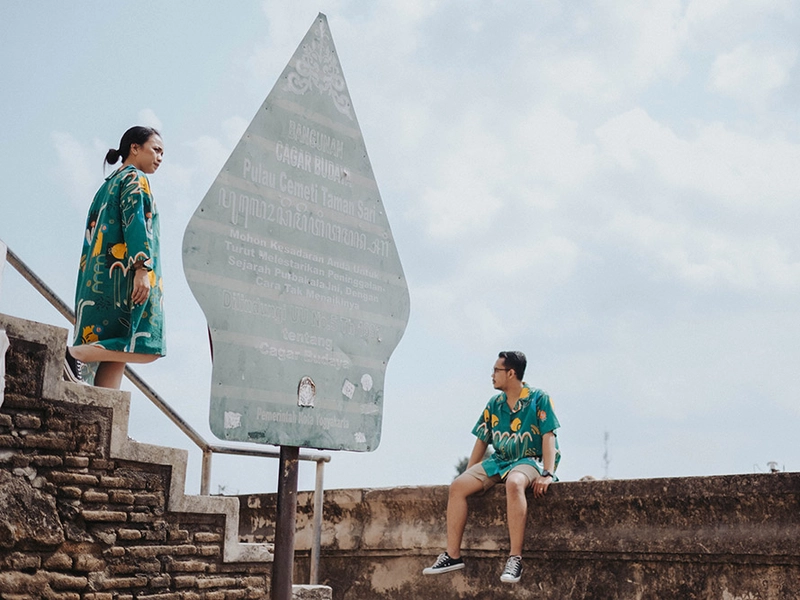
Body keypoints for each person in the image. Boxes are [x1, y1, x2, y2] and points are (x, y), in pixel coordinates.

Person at [423, 350, 561, 584]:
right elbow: (482, 440)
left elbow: (549, 436)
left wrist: (548, 473)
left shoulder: (539, 398)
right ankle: (452, 556)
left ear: (511, 373)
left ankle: (515, 559)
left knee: (514, 483)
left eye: (496, 371)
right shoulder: (494, 403)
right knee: (457, 486)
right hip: (500, 460)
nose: (492, 375)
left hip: (529, 459)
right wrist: (470, 473)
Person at [64, 126, 166, 389]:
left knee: (116, 351)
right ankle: (72, 355)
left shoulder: (107, 185)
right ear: (134, 148)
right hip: (125, 278)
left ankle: (104, 409)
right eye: (155, 149)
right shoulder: (135, 179)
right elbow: (137, 226)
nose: (160, 157)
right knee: (147, 346)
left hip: (99, 280)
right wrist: (141, 269)